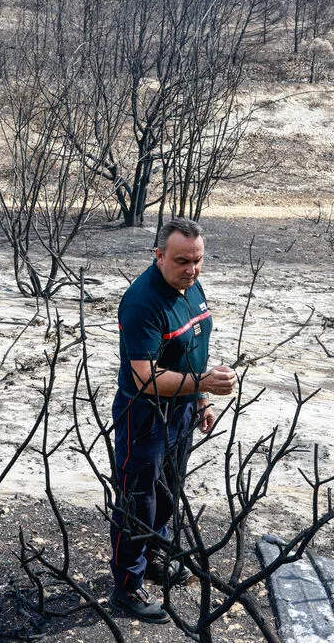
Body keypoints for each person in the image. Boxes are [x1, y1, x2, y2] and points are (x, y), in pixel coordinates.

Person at [108, 217, 236, 623]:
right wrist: (203, 383)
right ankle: (126, 588)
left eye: (198, 261)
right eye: (182, 260)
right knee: (137, 503)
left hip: (180, 411)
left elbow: (191, 350)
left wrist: (200, 399)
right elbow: (144, 378)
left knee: (167, 491)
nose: (192, 269)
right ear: (159, 255)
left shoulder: (191, 286)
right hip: (143, 419)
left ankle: (155, 555)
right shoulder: (142, 302)